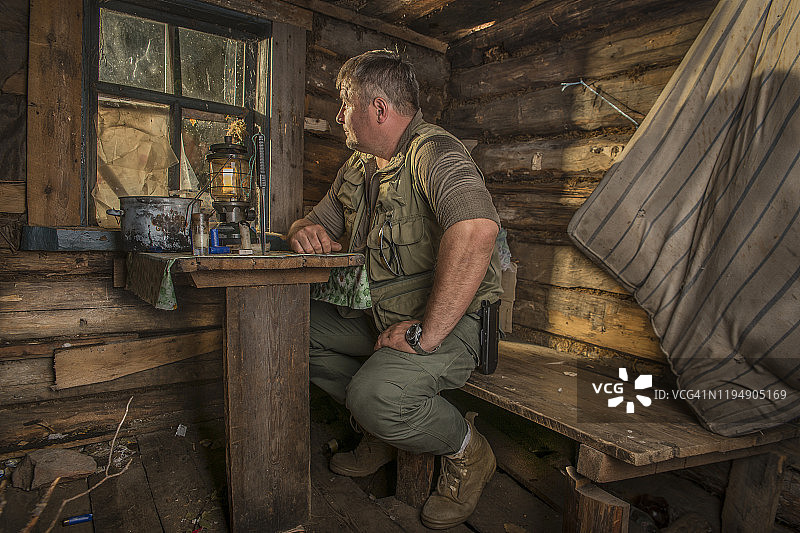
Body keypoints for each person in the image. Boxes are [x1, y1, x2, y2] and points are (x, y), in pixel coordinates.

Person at [287, 49, 503, 529]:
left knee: (376, 396)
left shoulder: (435, 152)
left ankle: (469, 452)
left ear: (378, 109)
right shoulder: (359, 166)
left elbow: (476, 231)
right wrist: (303, 230)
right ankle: (382, 432)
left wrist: (426, 334)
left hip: (453, 323)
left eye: (345, 103)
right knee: (293, 332)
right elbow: (311, 222)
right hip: (383, 317)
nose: (338, 115)